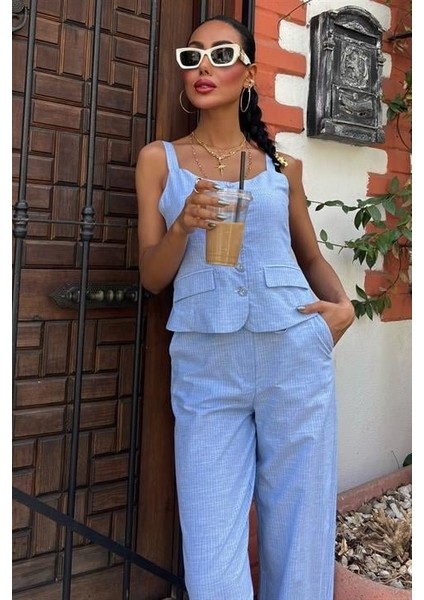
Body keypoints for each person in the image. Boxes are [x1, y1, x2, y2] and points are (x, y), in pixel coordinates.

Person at [135, 14, 355, 600]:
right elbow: (152, 277)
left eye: (221, 54)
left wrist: (343, 309)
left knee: (300, 528)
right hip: (207, 364)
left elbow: (310, 256)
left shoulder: (283, 167)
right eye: (192, 57)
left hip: (294, 352)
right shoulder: (159, 160)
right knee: (210, 549)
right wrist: (182, 225)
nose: (203, 66)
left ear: (250, 73)